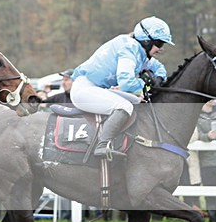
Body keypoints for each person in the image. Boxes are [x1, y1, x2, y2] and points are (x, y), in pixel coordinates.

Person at [70, 16, 173, 159]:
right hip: (84, 90)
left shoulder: (141, 52)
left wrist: (158, 78)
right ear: (146, 40)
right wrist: (145, 81)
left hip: (96, 88)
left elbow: (160, 68)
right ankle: (102, 145)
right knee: (125, 106)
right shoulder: (129, 47)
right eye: (160, 44)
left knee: (137, 101)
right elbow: (126, 83)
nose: (161, 49)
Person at [196, 99, 216, 222]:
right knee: (210, 192)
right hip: (206, 161)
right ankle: (213, 219)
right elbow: (195, 136)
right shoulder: (197, 117)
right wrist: (207, 136)